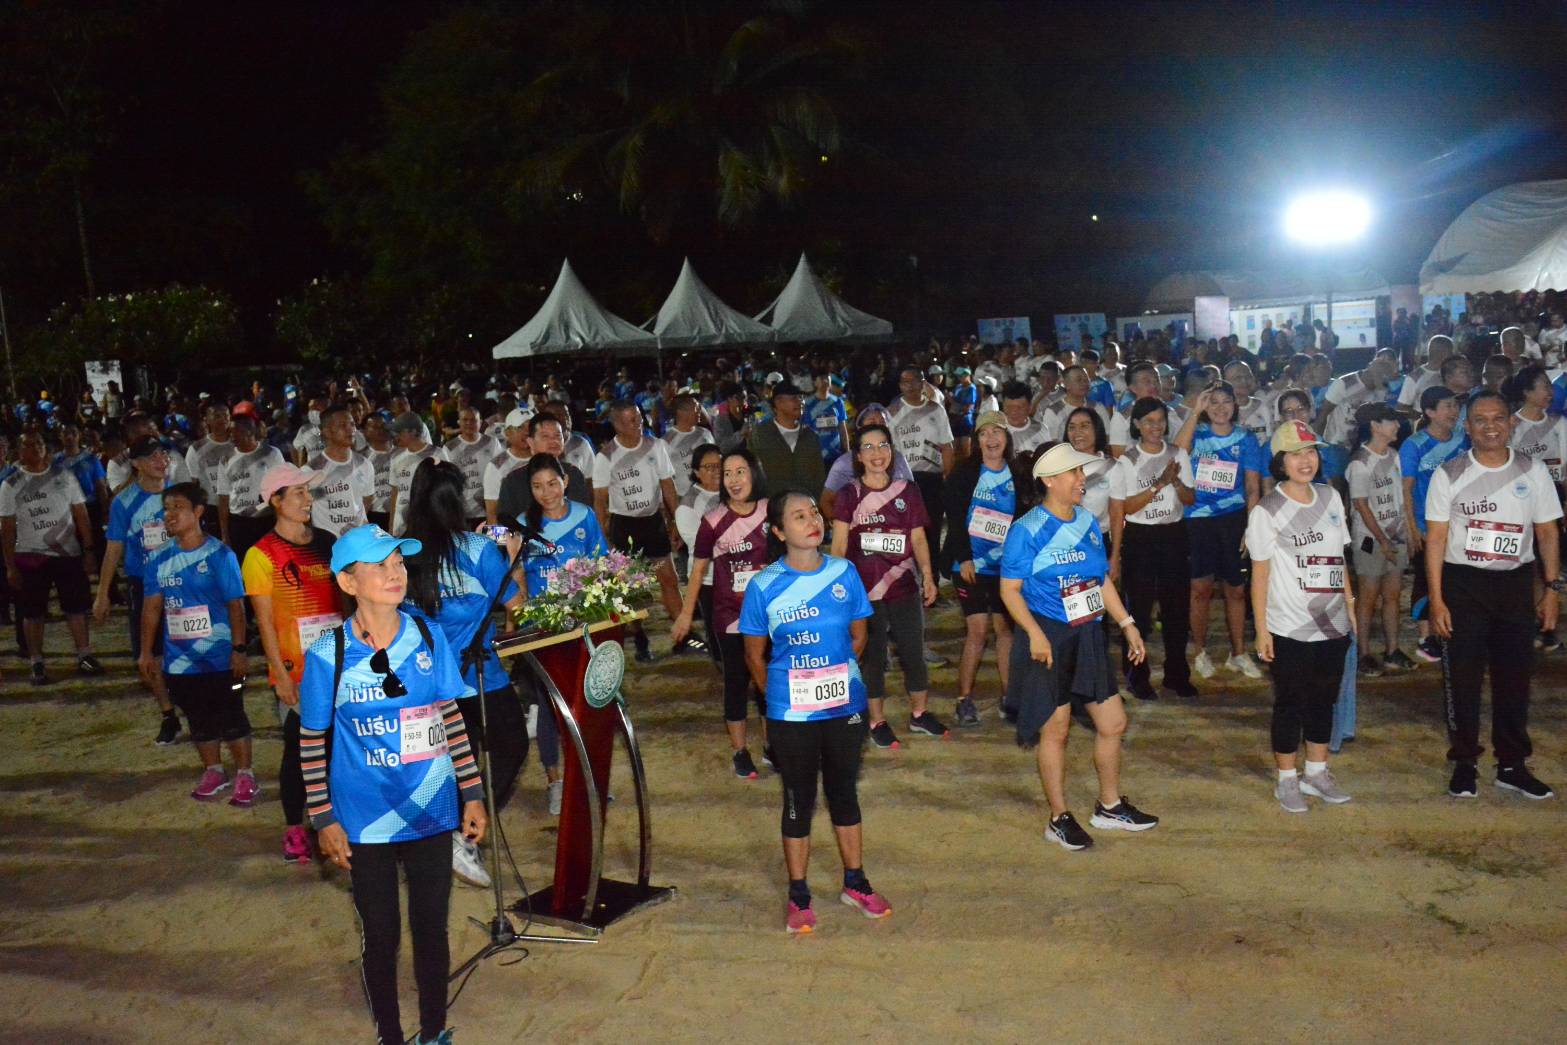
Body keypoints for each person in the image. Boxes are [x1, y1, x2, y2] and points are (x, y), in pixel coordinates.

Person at [300, 524, 486, 1045]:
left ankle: (434, 1031)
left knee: (431, 927)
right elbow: (311, 741)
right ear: (348, 582)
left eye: (399, 563)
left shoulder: (427, 636)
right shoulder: (329, 654)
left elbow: (450, 718)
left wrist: (472, 792)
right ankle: (390, 1036)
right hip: (364, 817)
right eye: (379, 566)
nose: (395, 573)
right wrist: (323, 817)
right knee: (381, 934)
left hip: (431, 806)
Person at [740, 489, 888, 934]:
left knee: (844, 792)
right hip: (791, 713)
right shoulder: (763, 586)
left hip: (844, 706)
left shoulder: (844, 572)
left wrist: (832, 677)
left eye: (814, 514)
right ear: (778, 531)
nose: (812, 522)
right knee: (798, 799)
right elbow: (754, 656)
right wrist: (782, 699)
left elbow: (859, 637)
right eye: (799, 516)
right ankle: (798, 894)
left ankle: (855, 882)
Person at [999, 442, 1156, 851]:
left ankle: (1109, 806)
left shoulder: (1086, 520)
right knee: (1057, 730)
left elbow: (1100, 579)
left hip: (1088, 634)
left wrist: (1127, 623)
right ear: (1050, 480)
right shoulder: (1027, 530)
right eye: (1074, 473)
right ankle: (1058, 818)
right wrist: (1034, 633)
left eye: (1082, 472)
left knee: (1113, 722)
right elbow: (1009, 590)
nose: (1081, 479)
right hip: (1049, 637)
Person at [1425, 390, 1561, 801]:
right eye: (1480, 420)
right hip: (1463, 585)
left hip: (1514, 585)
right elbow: (1436, 539)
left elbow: (1547, 532)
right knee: (1462, 679)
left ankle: (1512, 765)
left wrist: (1551, 589)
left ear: (1511, 422)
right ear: (1467, 427)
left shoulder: (1532, 470)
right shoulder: (1448, 474)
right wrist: (1436, 600)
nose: (1490, 427)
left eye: (1498, 418)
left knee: (1514, 678)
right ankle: (1464, 762)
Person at [400, 458, 527, 887]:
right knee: (510, 745)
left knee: (447, 761)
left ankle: (436, 841)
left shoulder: (402, 552)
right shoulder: (478, 550)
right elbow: (517, 604)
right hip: (478, 677)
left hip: (423, 681)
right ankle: (461, 833)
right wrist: (513, 559)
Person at [1247, 421, 1357, 814]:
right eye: (1295, 454)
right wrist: (1262, 630)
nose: (1305, 460)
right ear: (1280, 462)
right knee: (1290, 702)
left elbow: (1338, 557)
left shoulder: (1331, 497)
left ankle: (1317, 772)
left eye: (1310, 452)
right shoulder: (1267, 510)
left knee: (1324, 699)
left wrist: (1350, 604)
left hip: (1332, 622)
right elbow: (1260, 574)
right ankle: (1287, 779)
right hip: (1289, 625)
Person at [243, 463, 345, 864]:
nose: (308, 499)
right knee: (299, 750)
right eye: (298, 492)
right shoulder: (260, 555)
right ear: (276, 500)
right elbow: (264, 622)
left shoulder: (328, 543)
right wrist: (280, 675)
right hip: (297, 672)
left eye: (308, 491)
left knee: (339, 748)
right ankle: (293, 827)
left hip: (339, 666)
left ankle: (334, 822)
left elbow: (346, 601)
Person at [830, 422, 947, 748]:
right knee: (873, 657)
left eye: (882, 445)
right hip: (864, 592)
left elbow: (918, 538)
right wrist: (837, 589)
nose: (877, 453)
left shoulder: (907, 491)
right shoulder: (849, 495)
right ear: (858, 456)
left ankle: (919, 714)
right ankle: (876, 720)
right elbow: (838, 546)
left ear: (892, 451)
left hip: (903, 587)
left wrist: (928, 576)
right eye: (868, 447)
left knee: (913, 652)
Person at [137, 483, 253, 803]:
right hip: (181, 660)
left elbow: (236, 606)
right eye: (166, 508)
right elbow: (151, 609)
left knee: (232, 716)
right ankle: (213, 771)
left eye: (177, 507)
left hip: (220, 658)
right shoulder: (158, 559)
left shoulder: (220, 555)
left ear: (198, 512)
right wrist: (146, 652)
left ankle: (245, 775)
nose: (169, 514)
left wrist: (239, 649)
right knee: (198, 718)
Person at [515, 453, 609, 814]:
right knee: (550, 705)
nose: (547, 492)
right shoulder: (523, 525)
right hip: (542, 629)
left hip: (582, 624)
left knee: (585, 702)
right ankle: (555, 781)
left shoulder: (585, 516)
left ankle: (587, 779)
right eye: (537, 486)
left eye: (553, 483)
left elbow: (601, 565)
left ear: (565, 481)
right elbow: (514, 570)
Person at [671, 449, 771, 778]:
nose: (733, 479)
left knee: (767, 677)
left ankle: (771, 745)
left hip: (769, 614)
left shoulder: (771, 511)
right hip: (729, 613)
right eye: (728, 473)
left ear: (754, 473)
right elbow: (698, 571)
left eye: (740, 471)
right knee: (736, 679)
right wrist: (686, 615)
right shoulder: (713, 521)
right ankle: (740, 751)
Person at [1172, 381, 1266, 680]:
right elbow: (1176, 452)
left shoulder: (1246, 438)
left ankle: (1238, 653)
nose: (1220, 408)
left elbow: (1252, 486)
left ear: (1235, 405)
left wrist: (1250, 527)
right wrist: (1194, 412)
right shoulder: (1197, 433)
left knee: (1236, 589)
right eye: (1213, 402)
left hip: (1233, 519)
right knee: (1200, 589)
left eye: (1226, 401)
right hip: (1197, 519)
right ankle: (1200, 651)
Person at [941, 410, 1030, 725]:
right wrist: (964, 557)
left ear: (1007, 437)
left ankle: (1009, 697)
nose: (991, 439)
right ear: (977, 439)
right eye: (984, 433)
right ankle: (964, 699)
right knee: (977, 630)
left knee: (1005, 630)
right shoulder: (965, 473)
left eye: (997, 432)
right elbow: (955, 518)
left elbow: (1023, 521)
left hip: (1005, 568)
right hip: (969, 565)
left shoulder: (1018, 474)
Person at [95, 436, 183, 744]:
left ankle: (198, 706)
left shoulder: (178, 495)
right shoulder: (124, 502)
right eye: (152, 456)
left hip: (180, 581)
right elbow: (113, 548)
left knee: (189, 646)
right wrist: (102, 593)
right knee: (149, 654)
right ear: (136, 464)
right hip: (144, 585)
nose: (160, 460)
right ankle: (168, 714)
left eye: (163, 454)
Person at [1108, 397, 1197, 700]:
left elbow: (1189, 499)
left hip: (1173, 534)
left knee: (1176, 610)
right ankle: (1137, 676)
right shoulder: (1127, 460)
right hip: (1140, 538)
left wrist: (1177, 483)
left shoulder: (1177, 454)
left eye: (1160, 421)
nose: (1155, 427)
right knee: (1138, 612)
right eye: (1148, 422)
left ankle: (1177, 675)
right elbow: (1126, 507)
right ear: (1136, 424)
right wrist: (1159, 484)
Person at [1, 429, 103, 684]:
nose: (35, 448)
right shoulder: (10, 484)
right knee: (32, 612)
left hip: (67, 554)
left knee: (76, 608)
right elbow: (7, 527)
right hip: (30, 557)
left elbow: (81, 514)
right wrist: (10, 565)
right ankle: (36, 661)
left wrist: (89, 549)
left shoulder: (64, 476)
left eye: (38, 443)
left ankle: (84, 655)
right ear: (18, 451)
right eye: (28, 445)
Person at [592, 400, 689, 661]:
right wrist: (603, 537)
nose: (638, 424)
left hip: (653, 523)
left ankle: (683, 634)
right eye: (630, 420)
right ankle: (639, 636)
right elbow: (600, 501)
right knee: (629, 587)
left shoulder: (655, 446)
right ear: (617, 424)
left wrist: (676, 520)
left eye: (638, 417)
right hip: (625, 526)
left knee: (668, 578)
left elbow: (667, 485)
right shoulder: (605, 457)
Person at [1400, 386, 1470, 661]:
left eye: (1455, 405)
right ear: (1430, 412)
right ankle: (1425, 637)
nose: (1454, 411)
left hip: (1460, 523)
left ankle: (1450, 631)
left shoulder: (1463, 439)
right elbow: (1406, 489)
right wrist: (1411, 528)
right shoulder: (1414, 445)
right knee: (1426, 579)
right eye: (1447, 406)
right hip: (1426, 526)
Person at [1346, 403, 1413, 675]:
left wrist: (1406, 531)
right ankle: (1363, 653)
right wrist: (1383, 540)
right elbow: (1361, 505)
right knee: (1369, 597)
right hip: (1370, 540)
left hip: (1395, 535)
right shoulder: (1360, 462)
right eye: (1391, 421)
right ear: (1375, 425)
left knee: (1392, 595)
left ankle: (1392, 650)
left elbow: (1400, 496)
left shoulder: (1393, 455)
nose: (1397, 425)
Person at [887, 367, 954, 560]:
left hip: (932, 479)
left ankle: (932, 571)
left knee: (932, 529)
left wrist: (948, 478)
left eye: (913, 381)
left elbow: (947, 445)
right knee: (907, 530)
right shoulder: (892, 412)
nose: (909, 386)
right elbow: (889, 449)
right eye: (904, 382)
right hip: (905, 480)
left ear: (923, 383)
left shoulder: (936, 410)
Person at [672, 444, 725, 666]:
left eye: (720, 465)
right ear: (696, 471)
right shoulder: (688, 505)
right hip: (710, 579)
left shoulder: (735, 490)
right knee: (719, 636)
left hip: (741, 575)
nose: (716, 471)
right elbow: (701, 549)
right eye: (709, 467)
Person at [218, 413, 285, 556]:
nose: (230, 436)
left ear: (248, 431)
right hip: (239, 522)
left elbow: (283, 491)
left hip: (266, 520)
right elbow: (223, 498)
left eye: (234, 431)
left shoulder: (272, 454)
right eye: (229, 431)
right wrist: (225, 534)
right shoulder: (225, 459)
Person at [306, 404, 375, 537]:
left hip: (358, 541)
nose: (351, 429)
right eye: (343, 425)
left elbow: (368, 499)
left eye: (352, 424)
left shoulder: (364, 464)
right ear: (327, 432)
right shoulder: (310, 471)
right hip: (327, 543)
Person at [747, 382, 825, 494]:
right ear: (778, 402)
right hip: (772, 501)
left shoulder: (810, 436)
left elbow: (819, 477)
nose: (801, 402)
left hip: (806, 500)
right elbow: (752, 472)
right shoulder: (760, 434)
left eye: (801, 397)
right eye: (794, 398)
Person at [387, 411, 449, 536]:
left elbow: (447, 491)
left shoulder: (438, 454)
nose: (396, 436)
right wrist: (392, 524)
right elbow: (395, 492)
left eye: (399, 432)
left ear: (413, 431)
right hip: (402, 526)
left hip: (430, 524)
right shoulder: (396, 457)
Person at [444, 406, 498, 529]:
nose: (469, 423)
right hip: (463, 513)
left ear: (480, 422)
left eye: (473, 420)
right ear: (459, 422)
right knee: (468, 541)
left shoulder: (492, 443)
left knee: (494, 539)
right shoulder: (449, 448)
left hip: (490, 510)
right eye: (465, 420)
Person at [482, 408, 532, 525]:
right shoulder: (496, 466)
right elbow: (492, 514)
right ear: (507, 432)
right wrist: (499, 538)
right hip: (513, 532)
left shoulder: (544, 458)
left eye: (531, 427)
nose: (527, 432)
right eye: (520, 427)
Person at [662, 394, 717, 497]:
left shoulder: (705, 433)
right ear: (682, 412)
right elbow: (664, 478)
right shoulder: (666, 442)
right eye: (696, 407)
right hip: (685, 497)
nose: (700, 410)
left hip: (711, 493)